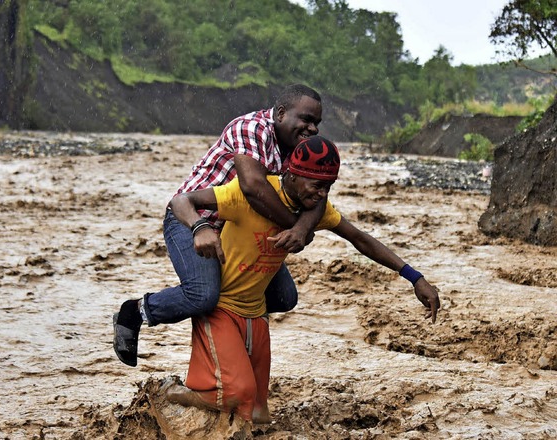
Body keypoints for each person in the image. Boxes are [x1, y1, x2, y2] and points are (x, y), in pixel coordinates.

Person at [163, 136, 440, 423]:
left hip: (255, 314)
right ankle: (173, 393)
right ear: (291, 175)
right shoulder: (248, 195)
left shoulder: (308, 210)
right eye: (316, 185)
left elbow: (360, 239)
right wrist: (199, 227)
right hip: (220, 309)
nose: (322, 194)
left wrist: (414, 277)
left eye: (328, 187)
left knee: (258, 414)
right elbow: (180, 200)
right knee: (235, 393)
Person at [114, 84, 330, 367]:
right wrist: (295, 224)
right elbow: (252, 186)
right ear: (280, 113)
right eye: (306, 120)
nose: (312, 129)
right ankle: (137, 311)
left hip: (238, 229)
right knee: (203, 295)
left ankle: (228, 330)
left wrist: (302, 229)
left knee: (283, 297)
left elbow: (320, 194)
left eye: (317, 123)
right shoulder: (251, 128)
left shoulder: (297, 148)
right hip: (194, 217)